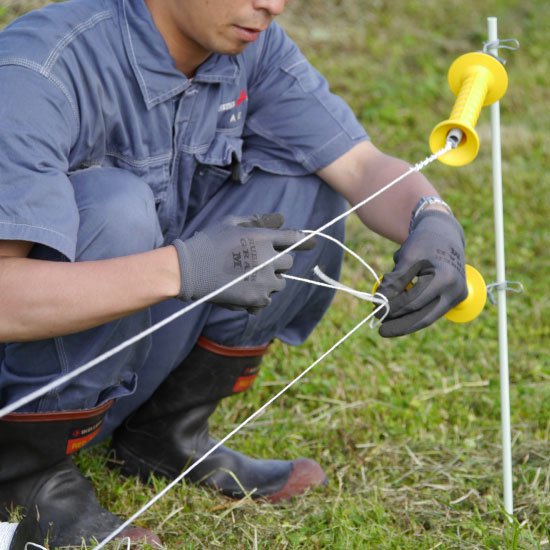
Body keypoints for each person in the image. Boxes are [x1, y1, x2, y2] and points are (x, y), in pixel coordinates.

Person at [0, 0, 467, 546]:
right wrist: (187, 267)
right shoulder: (38, 69)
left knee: (307, 183)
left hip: (129, 344)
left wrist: (433, 220)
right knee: (115, 208)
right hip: (18, 386)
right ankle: (25, 475)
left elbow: (361, 167)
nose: (273, 4)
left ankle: (164, 434)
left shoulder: (248, 45)